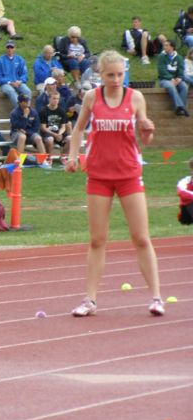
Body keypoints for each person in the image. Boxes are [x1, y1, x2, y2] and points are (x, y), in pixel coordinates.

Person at [65, 50, 164, 318]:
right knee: (97, 239)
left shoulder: (136, 97)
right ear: (100, 74)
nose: (117, 79)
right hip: (98, 175)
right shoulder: (91, 97)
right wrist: (73, 157)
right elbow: (77, 131)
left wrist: (147, 130)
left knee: (141, 237)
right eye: (111, 75)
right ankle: (90, 300)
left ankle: (156, 297)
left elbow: (145, 140)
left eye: (121, 74)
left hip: (129, 173)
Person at [10, 95, 50, 160]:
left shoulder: (33, 112)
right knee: (22, 137)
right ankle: (19, 160)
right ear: (20, 102)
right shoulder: (14, 113)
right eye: (25, 101)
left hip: (29, 133)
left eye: (28, 100)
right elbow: (16, 126)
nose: (28, 102)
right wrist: (25, 116)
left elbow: (36, 127)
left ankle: (44, 160)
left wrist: (27, 132)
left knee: (38, 138)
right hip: (16, 133)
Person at [157, 39, 190, 117]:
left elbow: (181, 69)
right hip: (164, 79)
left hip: (176, 79)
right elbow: (162, 70)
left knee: (184, 86)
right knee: (171, 86)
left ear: (172, 47)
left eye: (166, 45)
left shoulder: (179, 58)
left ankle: (180, 109)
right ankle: (181, 107)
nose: (164, 47)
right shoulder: (161, 56)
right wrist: (170, 78)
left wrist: (179, 78)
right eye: (164, 45)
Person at [0, 40, 31, 107]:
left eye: (11, 47)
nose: (10, 49)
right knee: (11, 91)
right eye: (8, 47)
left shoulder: (20, 59)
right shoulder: (0, 61)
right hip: (5, 84)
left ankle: (27, 109)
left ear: (14, 48)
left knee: (27, 91)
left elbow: (24, 74)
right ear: (5, 48)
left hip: (18, 83)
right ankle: (19, 110)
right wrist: (9, 82)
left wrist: (20, 81)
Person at [39, 91, 71, 158]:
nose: (56, 100)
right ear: (49, 99)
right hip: (47, 133)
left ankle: (63, 157)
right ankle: (49, 157)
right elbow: (43, 128)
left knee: (70, 138)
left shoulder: (61, 111)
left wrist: (59, 133)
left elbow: (63, 127)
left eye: (57, 99)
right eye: (54, 98)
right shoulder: (43, 111)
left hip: (58, 133)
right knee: (50, 139)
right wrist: (55, 135)